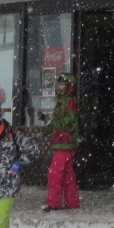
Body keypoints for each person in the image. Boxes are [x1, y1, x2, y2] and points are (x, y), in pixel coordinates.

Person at [43, 73, 80, 211]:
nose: (60, 87)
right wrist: (45, 131)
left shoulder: (69, 102)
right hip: (64, 142)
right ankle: (72, 202)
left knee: (54, 173)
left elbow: (67, 122)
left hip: (64, 142)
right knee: (67, 175)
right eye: (59, 84)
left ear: (69, 86)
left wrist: (53, 120)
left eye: (63, 84)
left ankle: (54, 202)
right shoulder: (62, 101)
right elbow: (57, 122)